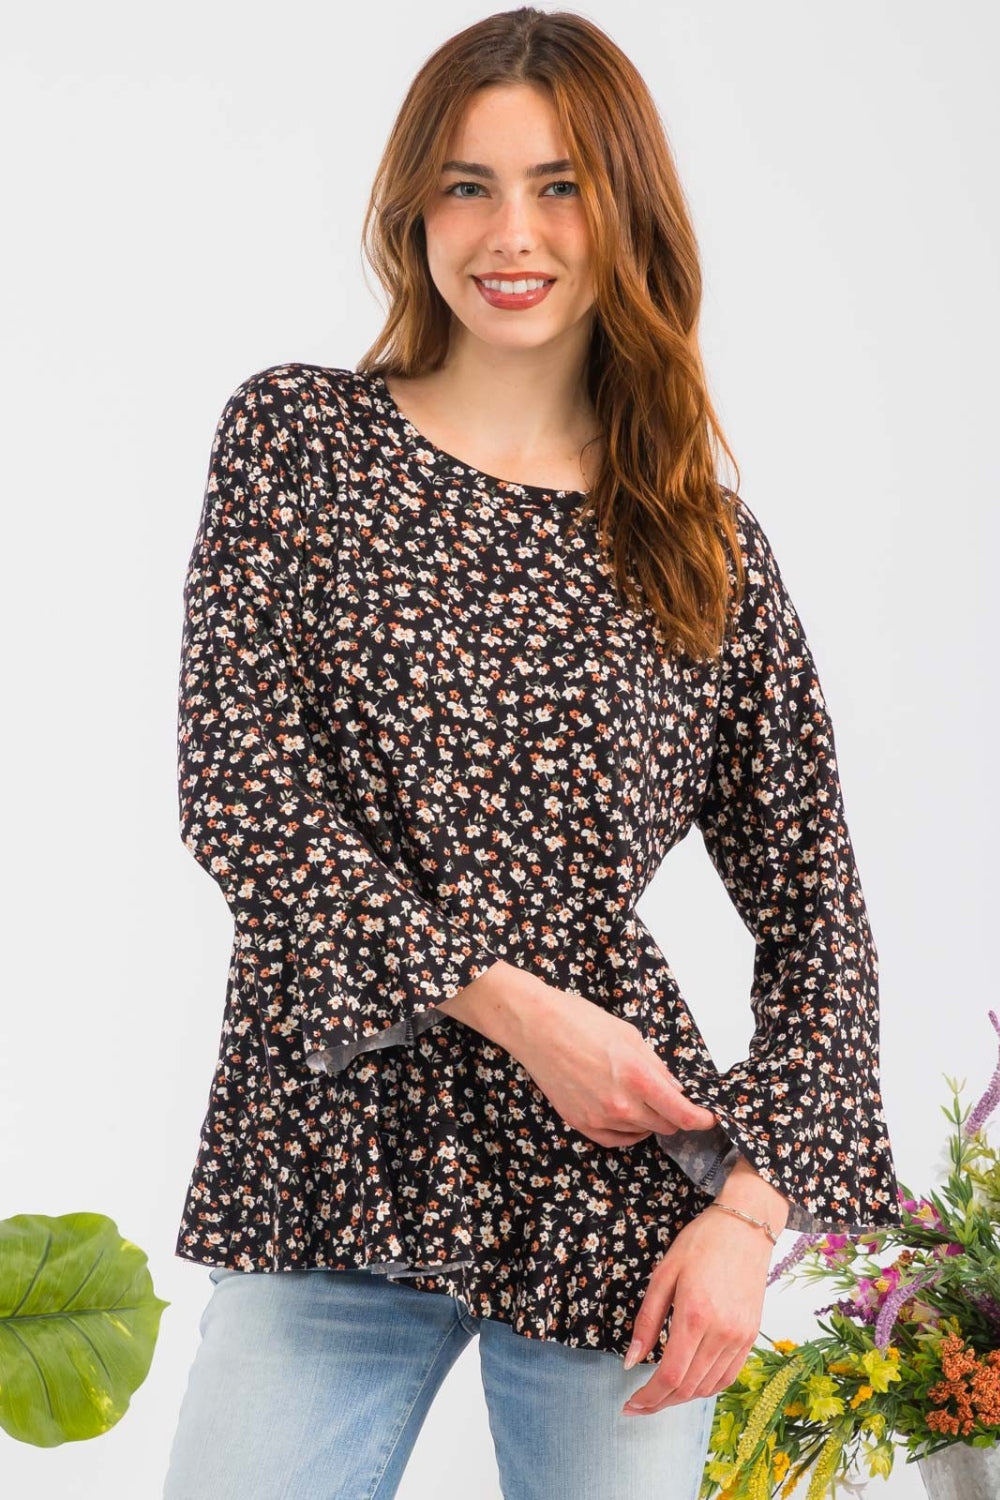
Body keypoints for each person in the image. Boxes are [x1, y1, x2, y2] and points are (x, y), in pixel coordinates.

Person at [162, 8, 902, 1498]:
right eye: (468, 183)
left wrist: (747, 1219)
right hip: (333, 1162)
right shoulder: (299, 443)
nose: (513, 232)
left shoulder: (701, 547)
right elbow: (242, 794)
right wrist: (519, 1013)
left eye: (560, 185)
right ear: (410, 209)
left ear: (624, 210)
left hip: (621, 1218)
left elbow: (821, 913)